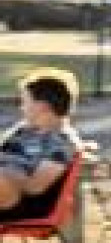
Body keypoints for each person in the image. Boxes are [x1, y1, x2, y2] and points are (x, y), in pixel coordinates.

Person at [0, 68, 82, 223]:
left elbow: (35, 187)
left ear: (42, 106)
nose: (21, 108)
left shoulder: (62, 141)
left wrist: (7, 173)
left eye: (25, 102)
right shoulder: (22, 131)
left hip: (25, 205)